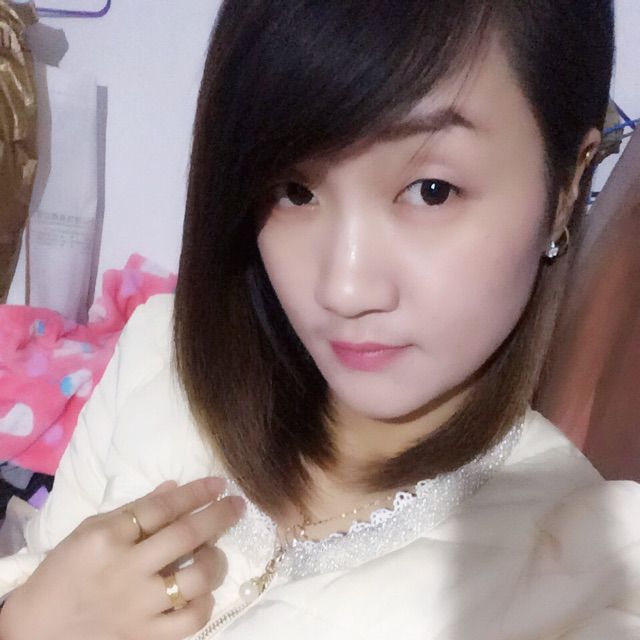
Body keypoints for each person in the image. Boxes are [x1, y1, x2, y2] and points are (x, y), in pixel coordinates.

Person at [1, 1, 639, 638]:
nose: (344, 288)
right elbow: (37, 571)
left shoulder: (593, 572)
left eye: (432, 190)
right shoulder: (157, 359)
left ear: (565, 188)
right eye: (295, 191)